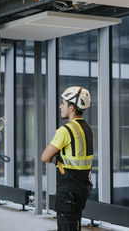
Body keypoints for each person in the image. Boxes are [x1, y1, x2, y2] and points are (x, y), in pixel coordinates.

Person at [41, 86, 94, 231]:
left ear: (71, 108)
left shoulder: (66, 130)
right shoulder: (88, 129)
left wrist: (56, 159)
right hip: (82, 188)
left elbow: (45, 156)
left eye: (63, 103)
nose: (60, 106)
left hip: (68, 190)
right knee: (75, 225)